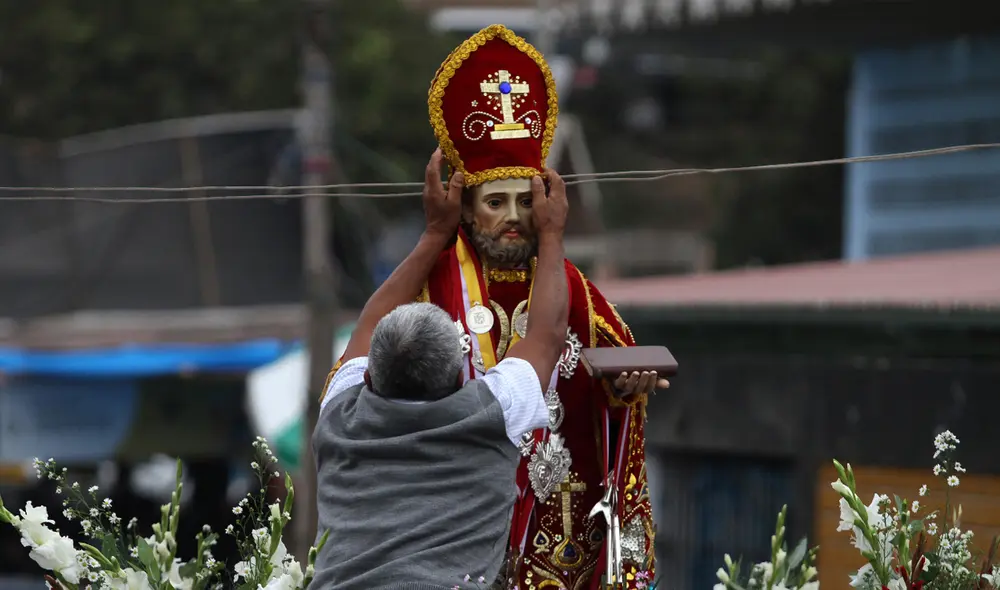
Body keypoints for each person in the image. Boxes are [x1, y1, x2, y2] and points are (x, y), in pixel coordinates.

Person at [417, 24, 661, 589]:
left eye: (525, 201)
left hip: (562, 540)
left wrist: (626, 391)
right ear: (467, 208)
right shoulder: (432, 288)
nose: (512, 217)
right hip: (457, 531)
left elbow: (616, 380)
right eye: (495, 202)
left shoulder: (571, 288)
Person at [310, 148, 572, 590]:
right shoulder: (490, 413)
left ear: (368, 375)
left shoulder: (339, 416)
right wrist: (552, 233)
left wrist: (433, 233)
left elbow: (368, 324)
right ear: (459, 378)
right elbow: (548, 334)